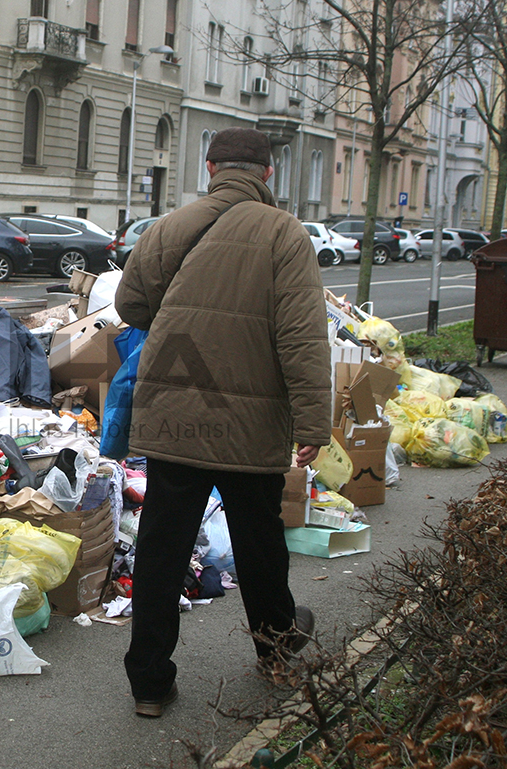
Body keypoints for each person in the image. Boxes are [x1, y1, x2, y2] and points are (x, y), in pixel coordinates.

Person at [115, 128, 332, 717]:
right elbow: (302, 337)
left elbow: (128, 305)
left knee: (162, 548)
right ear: (267, 174)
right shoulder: (285, 234)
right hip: (249, 421)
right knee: (261, 545)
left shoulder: (170, 226)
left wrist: (185, 311)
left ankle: (150, 685)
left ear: (210, 168)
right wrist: (314, 422)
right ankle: (278, 653)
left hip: (174, 416)